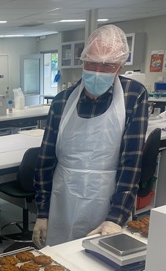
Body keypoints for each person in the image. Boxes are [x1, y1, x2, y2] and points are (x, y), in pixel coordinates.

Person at [33, 24, 149, 248]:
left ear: (120, 66)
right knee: (59, 257)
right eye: (92, 63)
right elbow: (45, 162)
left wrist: (115, 218)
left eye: (107, 65)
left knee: (100, 260)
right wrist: (43, 212)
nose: (97, 71)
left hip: (106, 200)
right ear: (83, 61)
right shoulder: (62, 101)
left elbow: (131, 163)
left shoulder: (133, 95)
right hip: (63, 198)